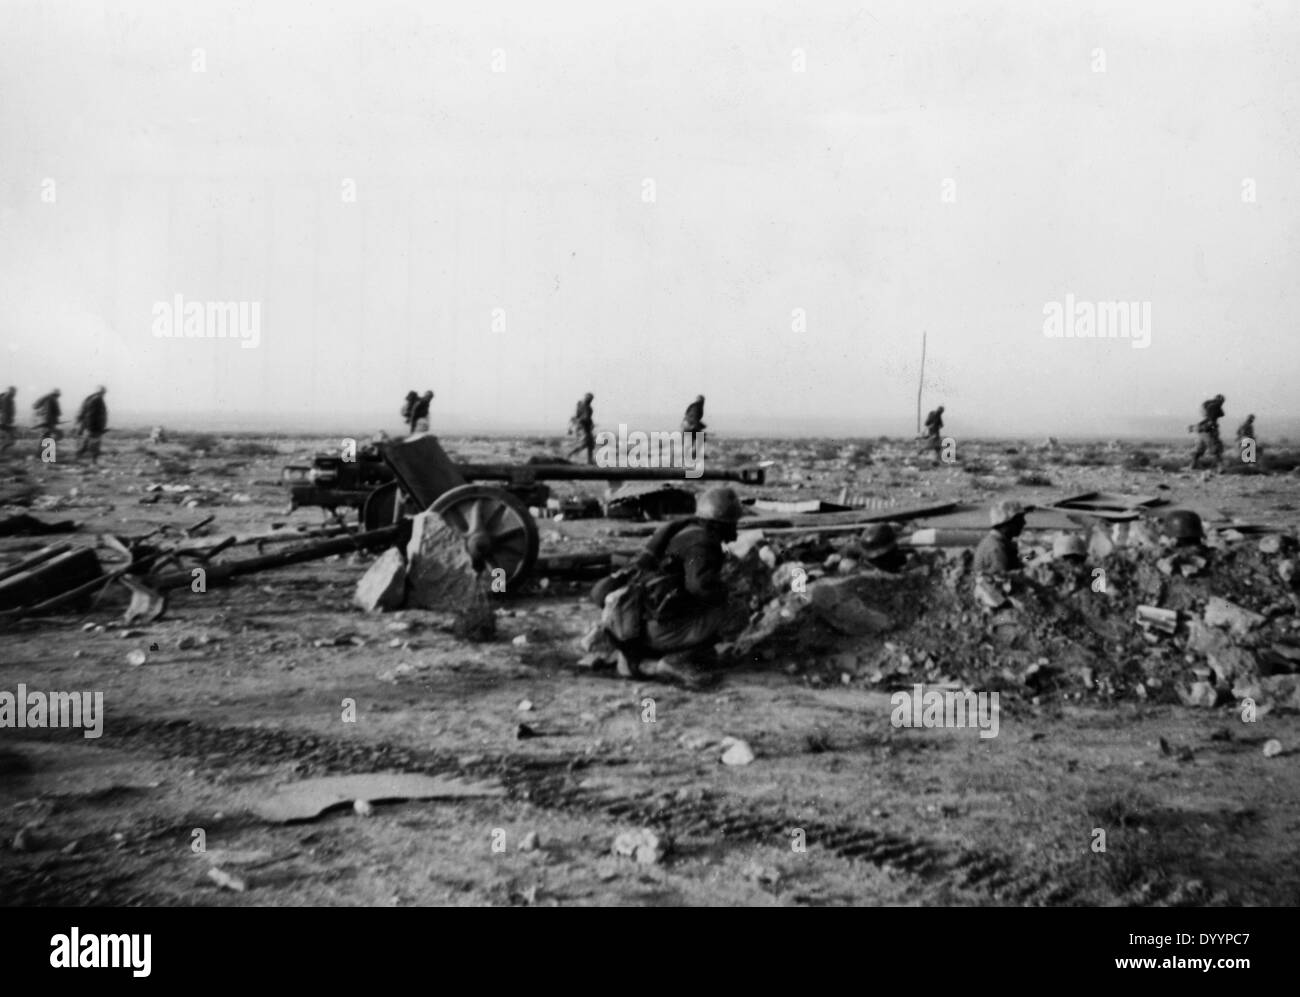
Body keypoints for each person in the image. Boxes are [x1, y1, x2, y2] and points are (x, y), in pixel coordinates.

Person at [585, 486, 743, 687]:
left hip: (632, 625)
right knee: (735, 610)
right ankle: (675, 660)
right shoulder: (702, 543)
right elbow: (699, 587)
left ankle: (640, 660)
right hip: (656, 629)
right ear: (721, 523)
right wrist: (727, 590)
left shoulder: (680, 530)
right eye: (733, 523)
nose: (735, 528)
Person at [973, 500, 1027, 576]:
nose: (1024, 523)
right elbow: (1003, 580)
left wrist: (1031, 557)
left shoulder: (999, 541)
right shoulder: (996, 548)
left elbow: (1019, 561)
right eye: (1020, 519)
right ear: (1007, 523)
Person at [1189, 394, 1225, 470]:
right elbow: (1212, 420)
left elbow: (1214, 416)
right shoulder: (1214, 407)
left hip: (1202, 431)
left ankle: (1193, 465)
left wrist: (1196, 427)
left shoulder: (1209, 406)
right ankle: (1220, 467)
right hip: (1209, 431)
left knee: (1199, 449)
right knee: (1216, 449)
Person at [74, 386, 109, 464]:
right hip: (93, 427)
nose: (104, 394)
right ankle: (94, 461)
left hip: (89, 426)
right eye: (103, 393)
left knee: (86, 443)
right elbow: (91, 415)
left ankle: (78, 456)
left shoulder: (90, 399)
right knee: (95, 444)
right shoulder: (97, 400)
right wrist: (93, 427)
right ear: (101, 392)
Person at [566, 392, 596, 465]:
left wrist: (591, 424)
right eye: (588, 398)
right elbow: (577, 416)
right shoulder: (581, 405)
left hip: (586, 427)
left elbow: (586, 418)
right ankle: (569, 454)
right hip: (581, 427)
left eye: (590, 399)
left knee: (590, 444)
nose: (589, 400)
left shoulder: (588, 408)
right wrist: (570, 427)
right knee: (586, 443)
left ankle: (589, 461)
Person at [0, 386, 15, 452]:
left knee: (9, 439)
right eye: (14, 391)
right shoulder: (6, 398)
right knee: (9, 440)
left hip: (5, 421)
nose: (15, 393)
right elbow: (5, 411)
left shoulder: (8, 398)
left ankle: (2, 449)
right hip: (4, 421)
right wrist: (6, 422)